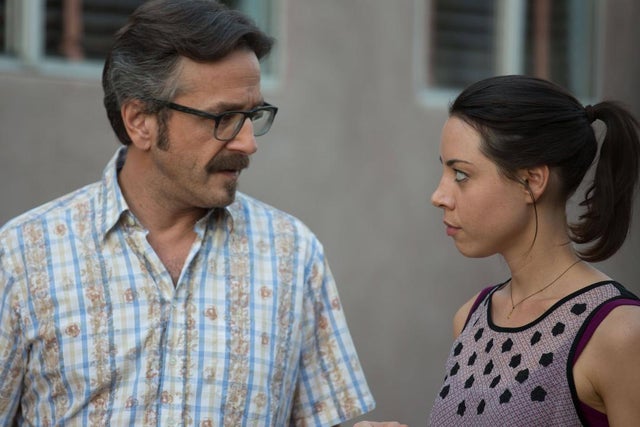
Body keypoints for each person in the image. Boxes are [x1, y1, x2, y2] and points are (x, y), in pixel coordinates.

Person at [0, 1, 375, 425]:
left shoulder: (293, 255)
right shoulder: (24, 257)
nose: (248, 143)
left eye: (252, 115)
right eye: (224, 117)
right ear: (140, 121)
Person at [359, 74, 640, 426]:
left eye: (461, 175)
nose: (439, 196)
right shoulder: (471, 317)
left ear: (531, 181)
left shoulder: (620, 333)